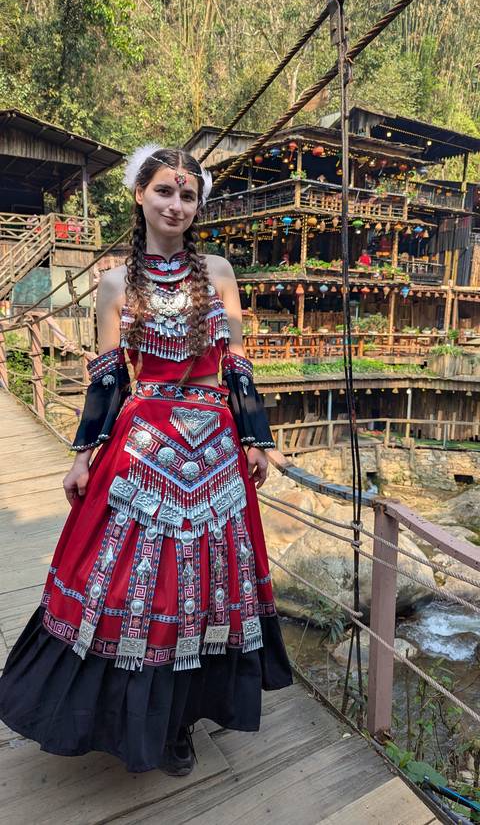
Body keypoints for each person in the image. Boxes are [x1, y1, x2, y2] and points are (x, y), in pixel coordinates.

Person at [0, 146, 293, 774]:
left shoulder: (218, 270)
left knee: (209, 587)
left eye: (188, 196)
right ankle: (139, 723)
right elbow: (108, 378)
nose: (177, 205)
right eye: (165, 192)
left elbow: (236, 364)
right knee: (134, 585)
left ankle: (182, 720)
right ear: (140, 195)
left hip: (215, 447)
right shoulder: (113, 282)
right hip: (141, 447)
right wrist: (83, 455)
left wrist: (258, 438)